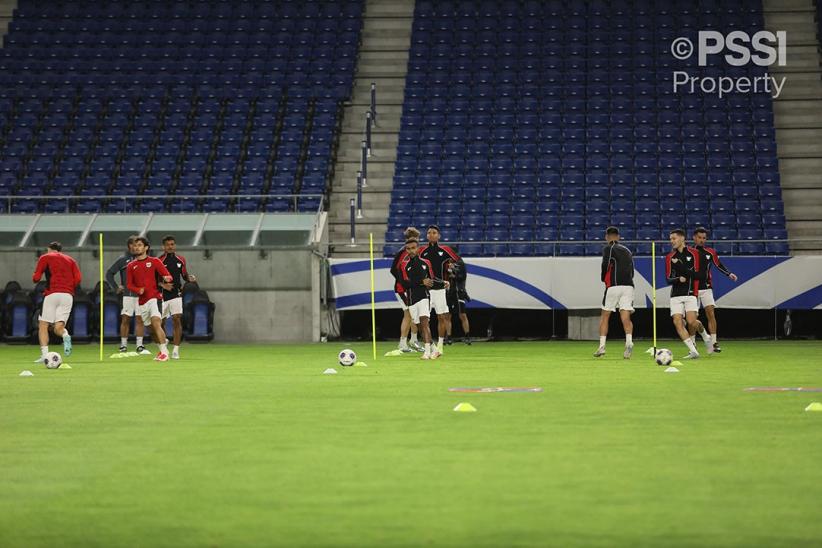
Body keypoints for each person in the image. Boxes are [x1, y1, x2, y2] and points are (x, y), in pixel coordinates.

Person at [398, 236, 449, 360]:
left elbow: (431, 279)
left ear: (418, 249)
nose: (411, 251)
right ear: (406, 250)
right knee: (420, 327)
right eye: (408, 249)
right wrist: (421, 282)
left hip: (424, 297)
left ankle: (427, 353)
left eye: (413, 248)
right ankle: (435, 350)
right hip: (411, 299)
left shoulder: (426, 263)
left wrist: (443, 282)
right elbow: (404, 284)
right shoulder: (403, 266)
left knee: (425, 323)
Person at [665, 229, 713, 359]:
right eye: (670, 239)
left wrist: (681, 268)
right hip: (675, 295)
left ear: (682, 239)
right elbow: (668, 278)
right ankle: (693, 351)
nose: (671, 241)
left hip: (691, 293)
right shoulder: (670, 257)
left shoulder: (695, 254)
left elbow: (701, 275)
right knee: (677, 322)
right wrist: (678, 279)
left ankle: (705, 336)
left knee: (692, 322)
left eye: (674, 238)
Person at [32, 241, 81, 364]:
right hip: (68, 296)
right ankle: (65, 335)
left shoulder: (45, 257)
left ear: (49, 249)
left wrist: (35, 275)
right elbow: (78, 279)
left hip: (52, 294)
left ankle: (44, 356)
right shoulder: (71, 260)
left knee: (43, 325)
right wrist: (68, 287)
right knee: (58, 327)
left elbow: (36, 278)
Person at [126, 237, 174, 362]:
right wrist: (138, 290)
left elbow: (166, 274)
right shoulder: (131, 266)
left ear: (146, 247)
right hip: (142, 301)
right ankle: (162, 349)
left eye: (140, 245)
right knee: (151, 331)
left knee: (156, 322)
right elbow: (129, 285)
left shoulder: (155, 261)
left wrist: (167, 278)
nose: (136, 247)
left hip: (155, 297)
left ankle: (164, 353)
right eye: (135, 245)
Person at [692, 227, 739, 353]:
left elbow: (718, 265)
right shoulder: (688, 252)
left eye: (704, 238)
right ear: (694, 238)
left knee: (710, 314)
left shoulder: (710, 252)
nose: (702, 240)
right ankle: (693, 344)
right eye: (699, 238)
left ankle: (714, 343)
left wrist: (729, 274)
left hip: (707, 288)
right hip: (692, 289)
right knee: (692, 317)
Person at [419, 225, 461, 355]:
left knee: (441, 317)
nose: (431, 235)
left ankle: (440, 346)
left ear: (439, 236)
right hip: (424, 291)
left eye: (434, 233)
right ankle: (431, 347)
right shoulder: (421, 252)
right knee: (422, 320)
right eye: (429, 233)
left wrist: (450, 273)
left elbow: (458, 263)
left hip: (439, 290)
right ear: (426, 236)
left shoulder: (446, 250)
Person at [593, 227, 635, 359]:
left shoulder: (608, 248)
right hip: (628, 286)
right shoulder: (627, 251)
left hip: (613, 286)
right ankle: (628, 341)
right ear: (619, 237)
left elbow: (605, 265)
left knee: (605, 316)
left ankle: (602, 347)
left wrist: (602, 277)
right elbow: (632, 271)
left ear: (607, 237)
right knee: (626, 316)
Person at [106, 235, 150, 354]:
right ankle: (123, 345)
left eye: (137, 244)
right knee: (125, 319)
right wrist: (116, 287)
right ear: (129, 246)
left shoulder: (146, 259)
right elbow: (109, 273)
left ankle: (139, 346)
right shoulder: (123, 259)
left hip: (142, 295)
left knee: (140, 319)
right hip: (128, 295)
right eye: (132, 244)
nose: (135, 247)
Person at [158, 235, 197, 360]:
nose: (171, 246)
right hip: (162, 295)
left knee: (176, 319)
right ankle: (164, 341)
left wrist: (189, 278)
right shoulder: (159, 261)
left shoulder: (181, 260)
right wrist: (163, 285)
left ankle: (176, 350)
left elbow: (184, 275)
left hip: (176, 294)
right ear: (163, 246)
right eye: (168, 244)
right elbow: (154, 280)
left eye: (172, 244)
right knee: (160, 322)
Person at [389, 227, 423, 352]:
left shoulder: (412, 252)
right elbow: (394, 270)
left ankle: (413, 340)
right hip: (402, 289)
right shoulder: (403, 252)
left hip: (410, 288)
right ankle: (402, 343)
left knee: (415, 314)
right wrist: (404, 282)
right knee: (408, 314)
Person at [444, 256, 471, 345]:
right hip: (449, 292)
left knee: (462, 315)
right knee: (447, 315)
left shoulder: (460, 264)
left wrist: (454, 273)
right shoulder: (445, 263)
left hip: (459, 292)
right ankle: (448, 337)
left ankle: (467, 336)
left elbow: (462, 277)